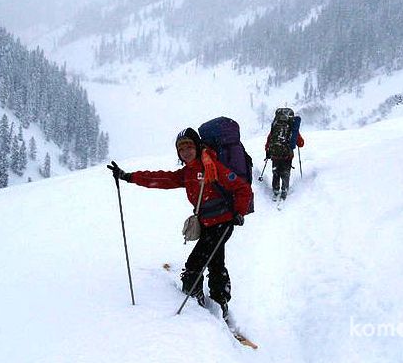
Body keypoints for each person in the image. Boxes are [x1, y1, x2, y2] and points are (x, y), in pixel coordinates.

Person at [109, 127, 253, 319]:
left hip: (223, 224)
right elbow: (160, 178)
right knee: (216, 263)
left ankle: (196, 308)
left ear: (197, 146)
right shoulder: (187, 173)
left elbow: (243, 188)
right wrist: (128, 176)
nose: (185, 151)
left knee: (194, 265)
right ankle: (220, 302)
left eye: (189, 146)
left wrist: (239, 212)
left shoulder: (213, 167)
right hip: (208, 224)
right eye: (181, 148)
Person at [265, 115, 304, 201]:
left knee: (276, 172)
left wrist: (267, 152)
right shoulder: (292, 128)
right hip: (287, 156)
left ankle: (275, 190)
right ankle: (284, 190)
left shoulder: (275, 127)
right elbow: (301, 143)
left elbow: (269, 140)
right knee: (285, 173)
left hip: (275, 155)